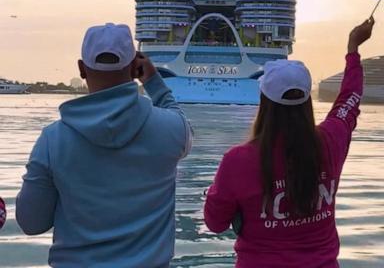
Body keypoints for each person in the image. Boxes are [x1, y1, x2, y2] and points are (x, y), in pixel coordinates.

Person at [16, 23, 192, 267]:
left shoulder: (52, 139)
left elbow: (31, 223)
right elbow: (181, 121)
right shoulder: (171, 130)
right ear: (134, 68)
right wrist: (154, 82)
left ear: (81, 69)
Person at [204, 19, 375, 267]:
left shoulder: (238, 161)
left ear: (264, 102)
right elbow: (350, 100)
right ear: (307, 101)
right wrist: (353, 49)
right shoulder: (330, 141)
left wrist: (214, 193)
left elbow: (215, 223)